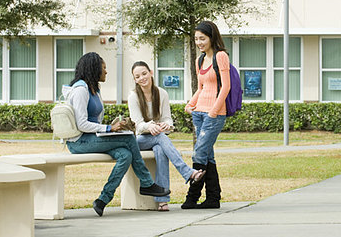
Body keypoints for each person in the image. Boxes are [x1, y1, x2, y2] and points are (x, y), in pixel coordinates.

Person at [63, 52, 170, 217]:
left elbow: (94, 121)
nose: (106, 72)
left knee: (125, 154)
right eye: (104, 68)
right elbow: (81, 124)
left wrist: (113, 126)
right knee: (128, 137)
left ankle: (102, 200)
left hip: (92, 138)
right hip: (79, 142)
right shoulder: (80, 91)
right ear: (94, 69)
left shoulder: (93, 90)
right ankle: (147, 183)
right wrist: (109, 129)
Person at [128, 61, 206, 212]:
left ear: (150, 72)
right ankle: (188, 172)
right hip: (139, 140)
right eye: (137, 76)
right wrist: (150, 126)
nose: (142, 78)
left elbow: (167, 119)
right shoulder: (133, 96)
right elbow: (137, 124)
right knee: (160, 138)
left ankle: (162, 201)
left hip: (157, 136)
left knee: (160, 149)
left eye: (144, 74)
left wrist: (166, 126)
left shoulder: (162, 93)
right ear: (135, 80)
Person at [182, 20, 230, 209]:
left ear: (211, 37)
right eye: (196, 39)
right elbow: (201, 87)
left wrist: (213, 112)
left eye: (202, 38)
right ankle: (213, 198)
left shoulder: (221, 56)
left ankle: (192, 196)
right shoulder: (200, 60)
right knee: (207, 155)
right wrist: (191, 104)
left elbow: (226, 87)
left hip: (214, 114)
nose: (199, 42)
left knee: (200, 152)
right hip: (199, 113)